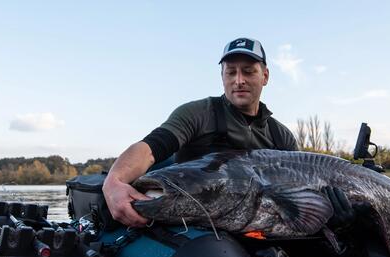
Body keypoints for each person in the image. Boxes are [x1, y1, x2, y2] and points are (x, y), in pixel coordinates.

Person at [103, 37, 298, 227]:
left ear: (265, 76)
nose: (239, 80)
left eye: (248, 72)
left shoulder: (282, 136)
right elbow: (151, 148)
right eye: (231, 73)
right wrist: (114, 182)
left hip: (261, 225)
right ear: (222, 77)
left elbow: (298, 193)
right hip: (199, 227)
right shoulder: (198, 113)